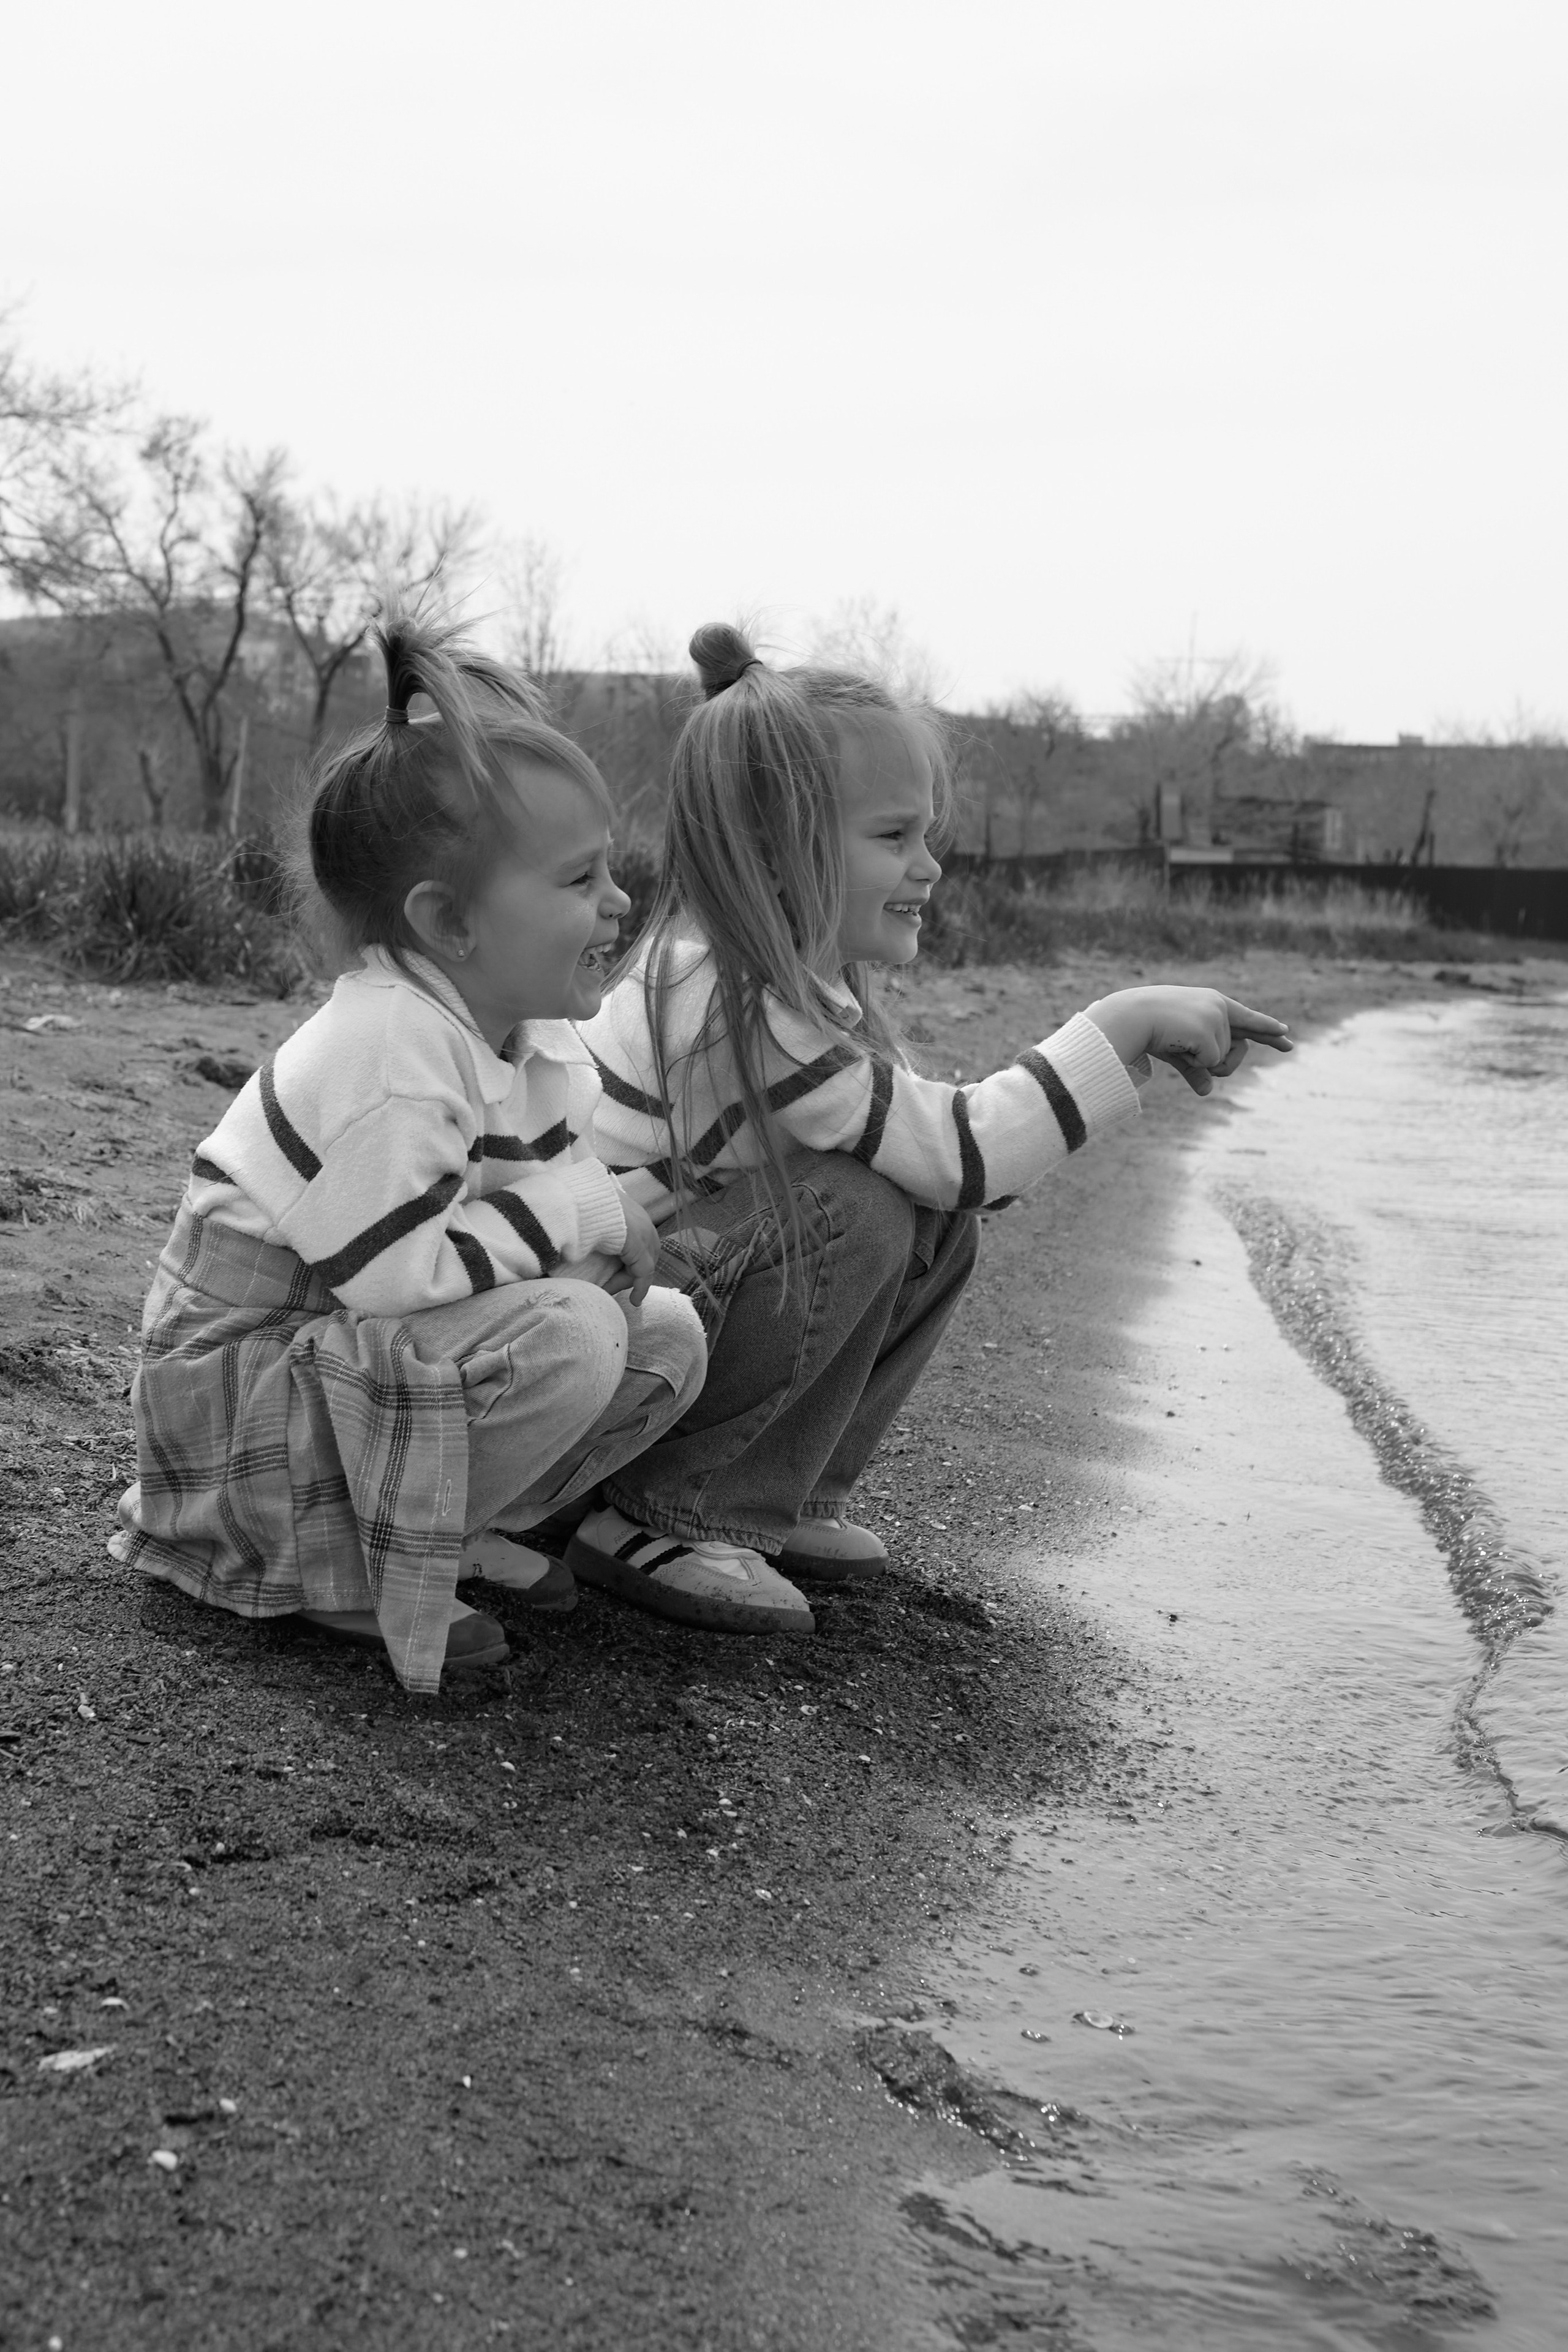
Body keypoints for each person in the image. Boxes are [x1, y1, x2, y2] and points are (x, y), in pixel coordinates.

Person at [575, 621, 1291, 1635]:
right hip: (612, 1336)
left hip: (655, 1311)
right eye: (893, 837)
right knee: (863, 1209)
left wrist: (1114, 1058)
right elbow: (965, 1154)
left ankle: (781, 1484)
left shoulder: (789, 993)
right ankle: (667, 1514)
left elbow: (964, 1179)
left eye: (926, 837)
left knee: (918, 1212)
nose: (930, 867)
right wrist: (1121, 1020)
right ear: (777, 851)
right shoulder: (730, 997)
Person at [110, 614, 706, 1694]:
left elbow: (509, 1234)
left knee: (658, 1332)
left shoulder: (529, 1041)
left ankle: (439, 1528)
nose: (620, 901)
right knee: (574, 1332)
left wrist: (598, 1227)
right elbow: (394, 1280)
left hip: (333, 1362)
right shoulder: (391, 1044)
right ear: (449, 923)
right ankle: (341, 1572)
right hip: (241, 1401)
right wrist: (586, 1214)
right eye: (580, 882)